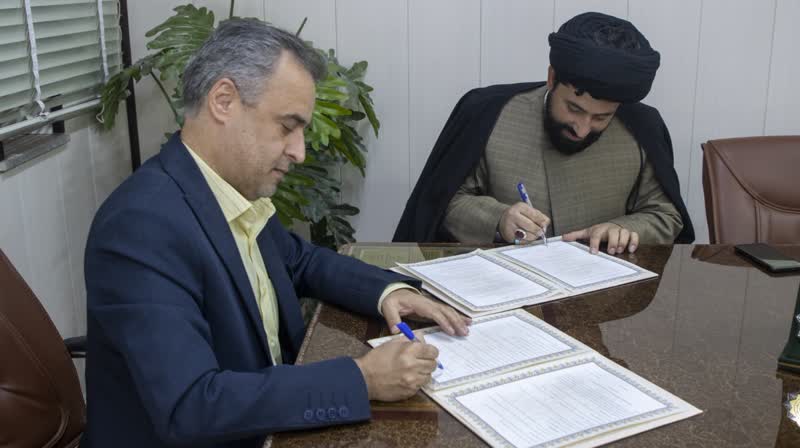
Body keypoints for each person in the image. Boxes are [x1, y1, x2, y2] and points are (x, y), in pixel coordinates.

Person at [83, 19, 470, 448]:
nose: (299, 151)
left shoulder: (227, 189)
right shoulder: (141, 226)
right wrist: (361, 379)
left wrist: (387, 293)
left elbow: (301, 260)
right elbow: (190, 406)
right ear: (224, 101)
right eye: (287, 127)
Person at [394, 12, 694, 253]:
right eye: (574, 108)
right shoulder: (488, 112)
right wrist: (499, 219)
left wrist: (625, 229)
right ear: (552, 78)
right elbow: (443, 204)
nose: (582, 129)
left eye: (601, 117)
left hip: (603, 290)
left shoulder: (643, 127)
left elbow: (665, 215)